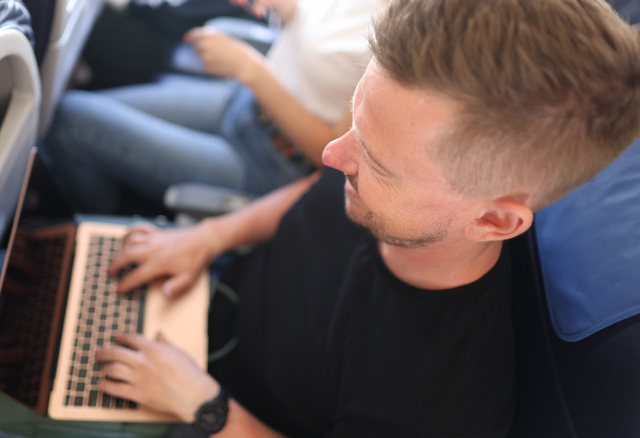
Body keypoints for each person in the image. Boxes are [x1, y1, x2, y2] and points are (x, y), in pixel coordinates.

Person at [92, 0, 640, 436]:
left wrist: (206, 408)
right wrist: (209, 237)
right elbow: (312, 187)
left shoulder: (440, 404)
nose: (332, 154)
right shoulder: (391, 174)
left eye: (375, 162)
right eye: (356, 123)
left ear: (495, 222)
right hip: (200, 285)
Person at [42, 0, 384, 214]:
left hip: (274, 161)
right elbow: (317, 34)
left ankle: (95, 239)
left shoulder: (400, 29)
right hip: (245, 106)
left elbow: (330, 153)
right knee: (72, 116)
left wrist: (249, 69)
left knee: (71, 122)